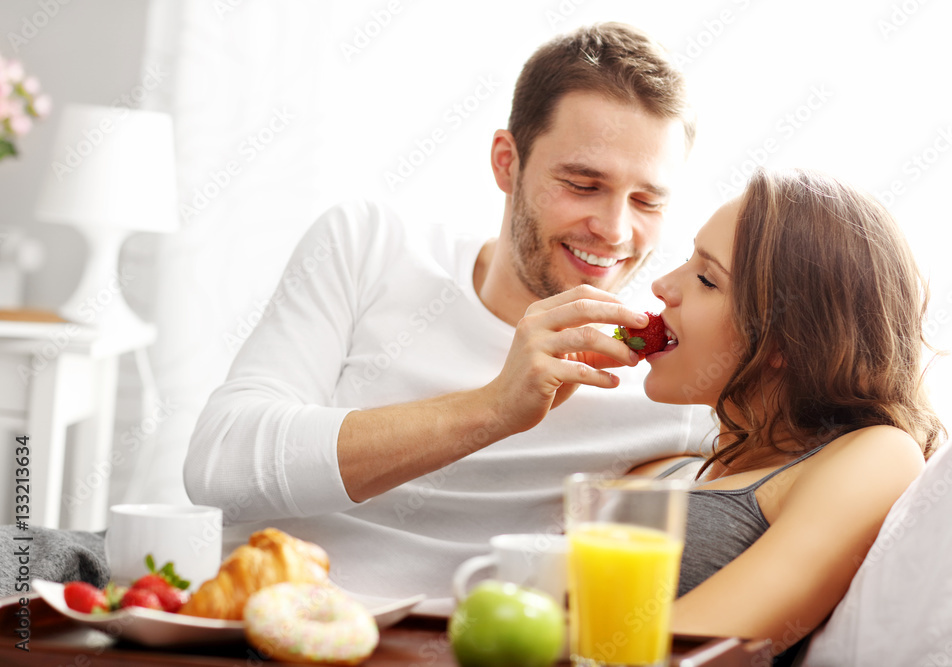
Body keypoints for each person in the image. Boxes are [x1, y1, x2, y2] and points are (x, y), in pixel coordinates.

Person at [184, 22, 712, 611]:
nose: (615, 231)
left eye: (648, 202)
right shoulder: (370, 246)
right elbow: (222, 463)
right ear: (507, 163)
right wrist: (494, 408)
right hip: (247, 627)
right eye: (583, 184)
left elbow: (818, 457)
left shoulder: (674, 373)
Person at [628, 167, 944, 659]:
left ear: (784, 339)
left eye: (707, 279)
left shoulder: (877, 454)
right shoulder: (660, 466)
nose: (662, 286)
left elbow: (682, 650)